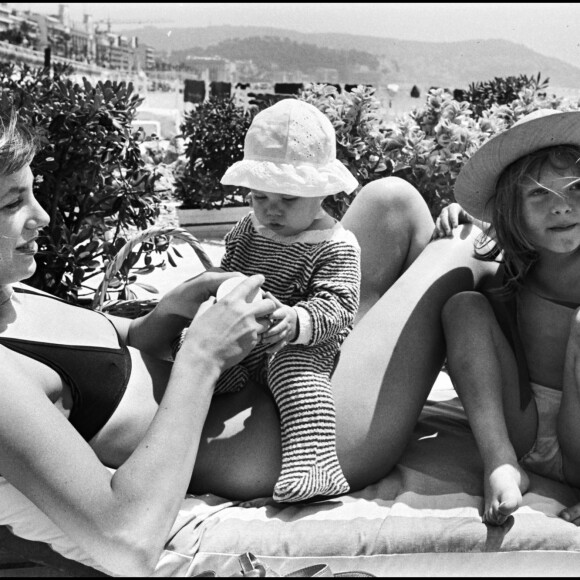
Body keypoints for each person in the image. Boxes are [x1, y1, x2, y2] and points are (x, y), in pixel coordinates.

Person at [0, 105, 495, 576]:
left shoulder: (13, 295)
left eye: (32, 192)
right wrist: (201, 357)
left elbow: (123, 341)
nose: (41, 216)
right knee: (467, 250)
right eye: (12, 202)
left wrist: (172, 307)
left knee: (395, 201)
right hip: (291, 432)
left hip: (257, 365)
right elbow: (123, 541)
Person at [190, 99, 360, 503]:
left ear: (322, 193)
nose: (271, 210)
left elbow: (339, 305)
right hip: (249, 327)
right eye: (260, 197)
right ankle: (219, 382)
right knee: (196, 343)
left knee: (297, 375)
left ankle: (315, 463)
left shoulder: (335, 245)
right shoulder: (250, 229)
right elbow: (230, 271)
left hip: (299, 340)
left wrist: (298, 320)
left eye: (288, 199)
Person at [434, 108, 580, 526]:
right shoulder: (515, 256)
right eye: (539, 195)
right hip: (522, 430)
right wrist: (460, 217)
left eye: (576, 189)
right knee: (464, 306)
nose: (562, 207)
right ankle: (499, 464)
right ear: (510, 210)